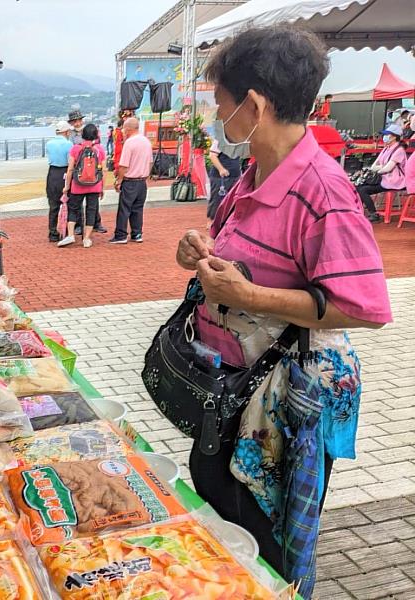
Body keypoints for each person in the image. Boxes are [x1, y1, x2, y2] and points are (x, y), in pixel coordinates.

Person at [174, 26, 390, 591]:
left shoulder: (323, 189)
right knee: (225, 521)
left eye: (220, 103)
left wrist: (249, 298)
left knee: (264, 545)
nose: (217, 116)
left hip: (281, 406)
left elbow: (363, 305)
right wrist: (202, 251)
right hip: (235, 390)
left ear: (254, 105)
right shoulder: (256, 173)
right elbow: (251, 258)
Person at [59, 124, 105, 248]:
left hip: (77, 185)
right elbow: (102, 170)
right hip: (95, 185)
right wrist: (102, 187)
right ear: (96, 135)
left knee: (73, 209)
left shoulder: (76, 148)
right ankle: (87, 238)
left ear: (83, 135)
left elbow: (70, 169)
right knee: (91, 211)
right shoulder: (99, 149)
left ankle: (71, 235)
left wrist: (66, 186)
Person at [355, 123, 407, 223]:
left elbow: (387, 168)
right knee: (359, 187)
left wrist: (379, 169)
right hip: (384, 179)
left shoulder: (399, 150)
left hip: (394, 181)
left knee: (364, 190)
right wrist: (380, 168)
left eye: (387, 134)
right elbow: (374, 166)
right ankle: (358, 212)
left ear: (394, 137)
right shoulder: (386, 149)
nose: (385, 137)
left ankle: (373, 214)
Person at [111, 117, 152, 244]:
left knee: (124, 208)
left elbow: (124, 165)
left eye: (124, 128)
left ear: (128, 129)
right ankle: (137, 233)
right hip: (142, 181)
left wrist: (119, 180)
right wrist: (146, 176)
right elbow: (150, 162)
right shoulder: (146, 141)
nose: (123, 131)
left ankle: (121, 235)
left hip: (130, 181)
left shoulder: (129, 143)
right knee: (138, 209)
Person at [66, 110, 106, 235]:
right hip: (79, 168)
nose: (77, 123)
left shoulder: (87, 131)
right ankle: (80, 225)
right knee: (80, 203)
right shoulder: (71, 135)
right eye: (74, 121)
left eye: (78, 120)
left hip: (90, 168)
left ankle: (96, 223)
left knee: (90, 204)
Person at [45, 120, 73, 242]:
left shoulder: (49, 144)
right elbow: (70, 162)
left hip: (52, 173)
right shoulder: (69, 144)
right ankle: (66, 231)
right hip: (64, 171)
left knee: (53, 205)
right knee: (68, 203)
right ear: (66, 132)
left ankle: (52, 232)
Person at [206, 136, 242, 224]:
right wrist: (221, 169)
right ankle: (211, 221)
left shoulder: (239, 140)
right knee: (217, 199)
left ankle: (228, 221)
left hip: (235, 175)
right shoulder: (221, 140)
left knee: (233, 199)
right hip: (220, 177)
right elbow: (212, 155)